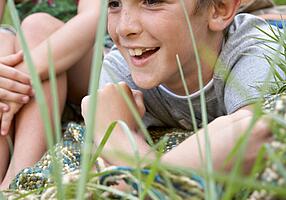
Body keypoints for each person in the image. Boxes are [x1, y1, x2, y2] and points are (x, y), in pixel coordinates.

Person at [81, 0, 283, 174]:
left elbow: (255, 137)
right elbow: (101, 176)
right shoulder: (121, 71)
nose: (124, 28)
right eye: (114, 4)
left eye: (152, 1)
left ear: (219, 8)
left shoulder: (258, 50)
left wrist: (116, 135)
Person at [0, 0, 100, 189]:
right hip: (37, 78)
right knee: (2, 40)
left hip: (92, 61)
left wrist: (15, 81)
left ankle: (21, 176)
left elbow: (94, 19)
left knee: (37, 26)